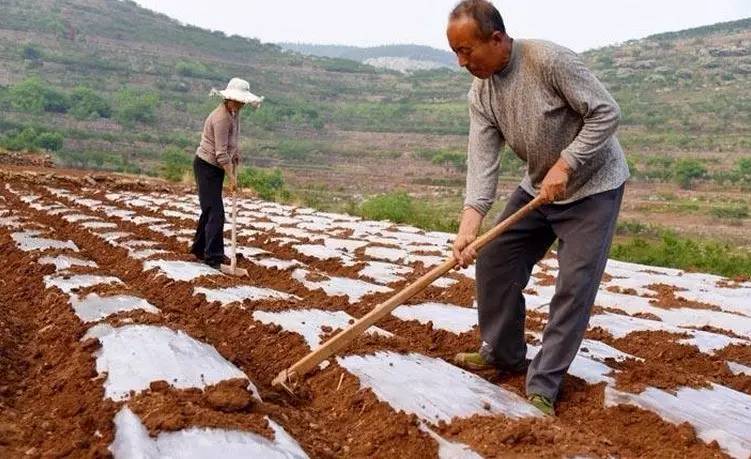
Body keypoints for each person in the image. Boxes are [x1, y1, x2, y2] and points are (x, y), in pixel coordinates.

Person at [446, 0, 629, 415]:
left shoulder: (548, 61)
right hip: (539, 188)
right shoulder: (482, 94)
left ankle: (543, 385)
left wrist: (568, 162)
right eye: (455, 52)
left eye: (466, 50)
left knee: (573, 284)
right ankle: (503, 353)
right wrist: (468, 228)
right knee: (494, 258)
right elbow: (482, 164)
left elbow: (606, 112)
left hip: (593, 187)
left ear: (496, 39)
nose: (461, 62)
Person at [190, 78, 262, 269]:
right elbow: (220, 153)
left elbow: (232, 141)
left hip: (216, 166)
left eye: (243, 102)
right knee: (216, 212)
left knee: (209, 209)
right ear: (230, 98)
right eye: (239, 101)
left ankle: (199, 249)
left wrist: (236, 153)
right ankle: (212, 256)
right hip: (206, 166)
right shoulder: (221, 118)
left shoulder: (233, 113)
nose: (242, 104)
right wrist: (231, 177)